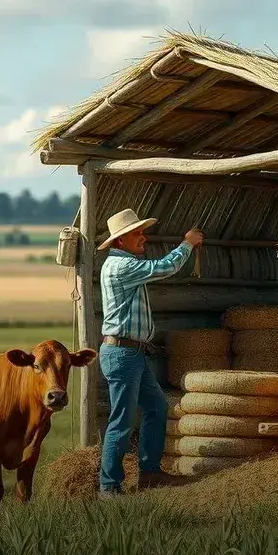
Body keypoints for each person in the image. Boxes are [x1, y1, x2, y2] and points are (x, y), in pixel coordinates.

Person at [94, 208, 204, 498]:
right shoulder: (122, 267)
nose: (143, 237)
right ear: (120, 242)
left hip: (131, 354)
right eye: (136, 233)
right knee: (122, 420)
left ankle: (150, 473)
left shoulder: (122, 264)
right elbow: (165, 267)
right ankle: (109, 486)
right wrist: (188, 243)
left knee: (156, 408)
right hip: (123, 355)